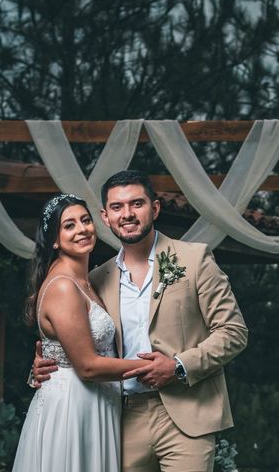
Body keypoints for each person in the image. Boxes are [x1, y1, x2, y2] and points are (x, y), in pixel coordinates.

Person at [33, 170, 248, 471]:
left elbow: (233, 332)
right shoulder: (96, 279)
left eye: (137, 204)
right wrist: (46, 364)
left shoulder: (194, 259)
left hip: (187, 414)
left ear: (155, 209)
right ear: (106, 217)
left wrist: (178, 365)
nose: (128, 214)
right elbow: (79, 343)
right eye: (118, 207)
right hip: (122, 418)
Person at [13, 193, 149, 471]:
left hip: (97, 404)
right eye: (69, 225)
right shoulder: (63, 286)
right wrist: (149, 366)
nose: (82, 229)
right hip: (73, 407)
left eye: (85, 220)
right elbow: (87, 366)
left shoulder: (89, 281)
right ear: (54, 239)